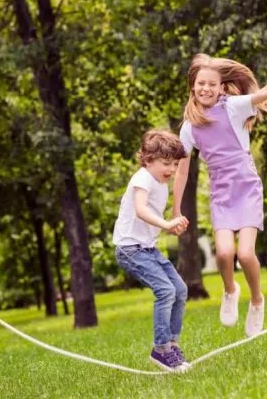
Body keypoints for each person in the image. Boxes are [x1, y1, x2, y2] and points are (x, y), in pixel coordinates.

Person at [173, 52, 267, 337]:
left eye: (212, 84)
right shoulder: (189, 127)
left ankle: (256, 300)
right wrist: (177, 209)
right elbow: (181, 172)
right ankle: (230, 290)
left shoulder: (233, 107)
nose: (206, 89)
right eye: (201, 84)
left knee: (245, 253)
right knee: (225, 254)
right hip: (221, 193)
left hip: (247, 187)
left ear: (221, 87)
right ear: (193, 87)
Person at [113, 129, 191, 372]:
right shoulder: (143, 178)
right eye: (166, 163)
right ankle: (160, 350)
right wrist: (167, 223)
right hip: (130, 249)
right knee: (166, 291)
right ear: (148, 160)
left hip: (147, 247)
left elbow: (151, 220)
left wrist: (169, 227)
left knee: (180, 289)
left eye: (175, 164)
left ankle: (171, 346)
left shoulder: (161, 183)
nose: (171, 169)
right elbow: (140, 209)